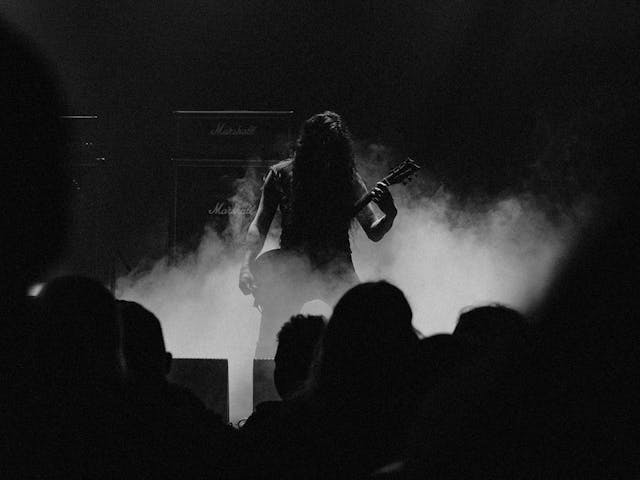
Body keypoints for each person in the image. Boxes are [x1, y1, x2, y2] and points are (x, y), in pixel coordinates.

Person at [239, 111, 398, 357]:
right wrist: (246, 266)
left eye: (330, 149)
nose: (324, 155)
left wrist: (389, 215)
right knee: (270, 343)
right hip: (290, 267)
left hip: (337, 266)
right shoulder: (281, 174)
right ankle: (264, 385)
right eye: (319, 147)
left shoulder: (348, 179)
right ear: (308, 146)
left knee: (360, 335)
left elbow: (374, 231)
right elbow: (259, 225)